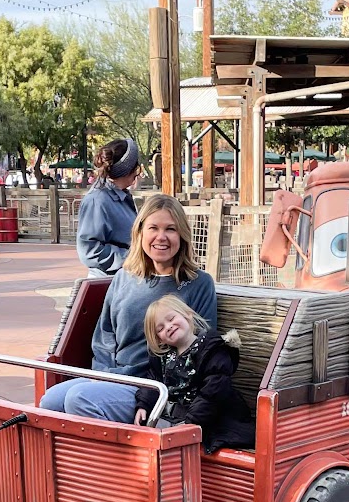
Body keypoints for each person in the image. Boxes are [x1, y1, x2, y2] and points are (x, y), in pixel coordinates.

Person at [39, 194, 215, 424]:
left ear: (182, 234)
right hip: (112, 377)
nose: (161, 237)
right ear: (140, 232)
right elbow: (105, 335)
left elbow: (200, 346)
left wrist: (133, 381)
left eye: (170, 229)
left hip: (153, 387)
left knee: (80, 399)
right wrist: (104, 375)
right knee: (51, 401)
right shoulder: (124, 277)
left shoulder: (198, 283)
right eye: (153, 228)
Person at [134, 295, 254, 452]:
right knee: (143, 437)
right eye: (160, 329)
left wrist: (190, 424)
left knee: (171, 446)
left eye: (171, 319)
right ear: (160, 339)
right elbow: (153, 382)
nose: (168, 327)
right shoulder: (162, 358)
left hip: (209, 420)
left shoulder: (212, 350)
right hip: (172, 418)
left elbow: (212, 393)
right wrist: (144, 405)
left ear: (188, 315)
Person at [76, 140, 140, 277]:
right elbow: (89, 251)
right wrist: (132, 257)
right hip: (109, 281)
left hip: (126, 276)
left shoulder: (120, 195)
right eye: (136, 166)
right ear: (128, 170)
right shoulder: (97, 200)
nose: (138, 172)